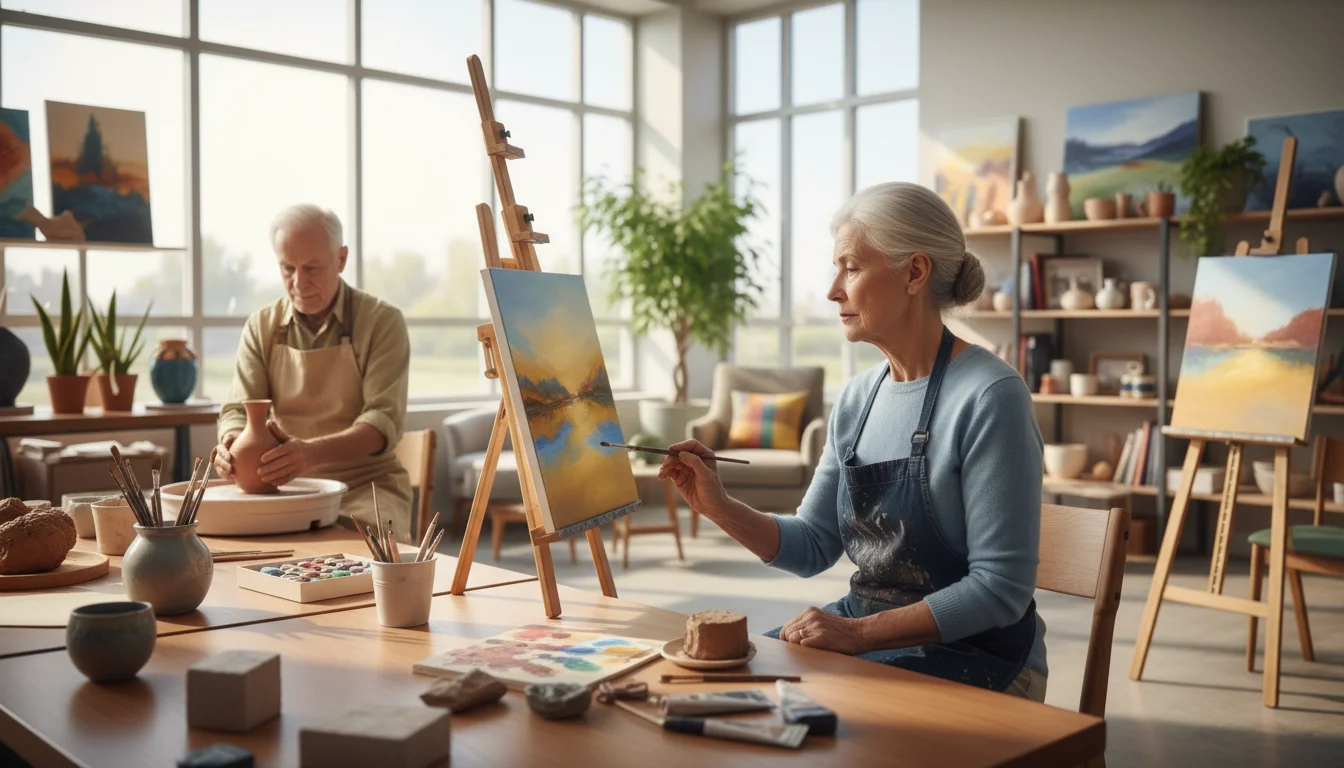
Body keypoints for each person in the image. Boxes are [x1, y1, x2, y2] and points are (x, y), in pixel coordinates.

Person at [659, 182, 1048, 701]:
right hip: (866, 634)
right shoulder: (857, 399)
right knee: (719, 690)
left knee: (821, 729)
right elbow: (813, 545)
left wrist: (856, 635)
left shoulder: (991, 396)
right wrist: (719, 506)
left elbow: (1000, 591)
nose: (832, 290)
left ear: (914, 272)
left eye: (851, 267)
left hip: (979, 655)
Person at [213, 204, 413, 538]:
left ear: (341, 259)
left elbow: (382, 421)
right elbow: (238, 408)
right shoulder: (261, 326)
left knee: (354, 549)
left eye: (312, 268)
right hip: (287, 486)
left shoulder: (382, 322)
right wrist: (230, 441)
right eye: (287, 269)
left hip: (365, 486)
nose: (298, 283)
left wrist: (312, 453)